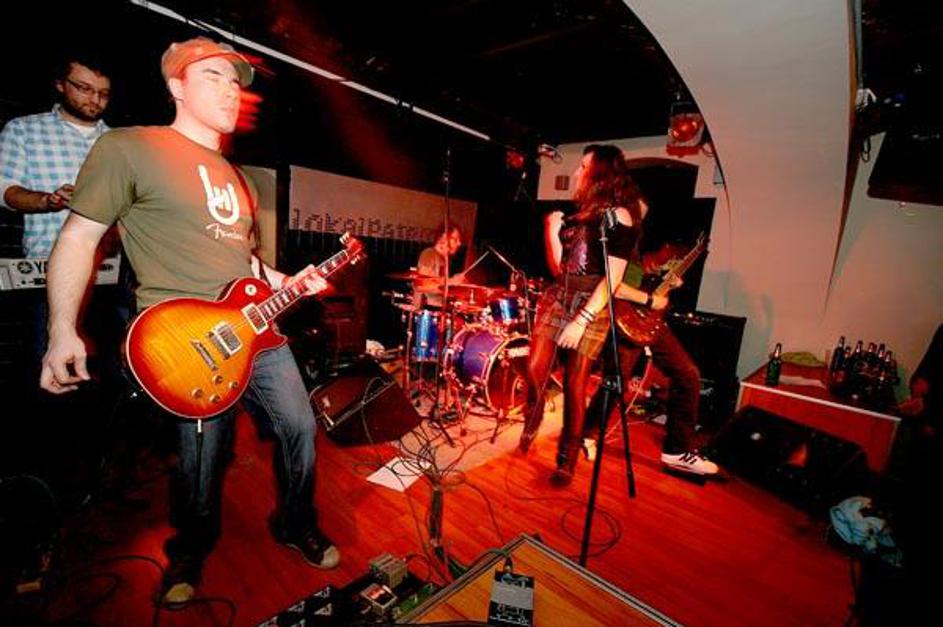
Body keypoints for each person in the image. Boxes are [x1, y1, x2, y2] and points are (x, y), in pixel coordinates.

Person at [39, 37, 339, 605]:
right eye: (212, 76)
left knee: (300, 427)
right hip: (187, 338)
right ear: (176, 86)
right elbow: (78, 237)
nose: (231, 90)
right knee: (202, 456)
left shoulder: (240, 179)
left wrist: (289, 281)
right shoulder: (130, 148)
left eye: (235, 81)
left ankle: (295, 522)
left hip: (255, 330)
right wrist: (61, 330)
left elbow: (246, 263)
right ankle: (191, 551)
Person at [518, 144, 640, 486]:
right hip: (560, 293)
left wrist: (582, 319)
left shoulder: (618, 216)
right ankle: (534, 415)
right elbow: (559, 267)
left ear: (601, 172)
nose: (576, 172)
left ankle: (566, 459)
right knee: (534, 368)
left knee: (575, 382)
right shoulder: (578, 214)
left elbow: (613, 279)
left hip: (592, 301)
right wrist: (550, 229)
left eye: (583, 166)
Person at [0, 50, 113, 366]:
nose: (95, 99)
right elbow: (6, 191)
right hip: (50, 271)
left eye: (103, 93)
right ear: (61, 84)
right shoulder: (23, 129)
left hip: (113, 276)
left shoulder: (119, 141)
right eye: (84, 88)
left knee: (110, 370)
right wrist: (47, 200)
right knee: (51, 366)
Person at [588, 237, 720, 476]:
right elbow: (613, 284)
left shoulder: (655, 260)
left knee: (688, 374)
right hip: (627, 318)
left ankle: (677, 451)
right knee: (617, 382)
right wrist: (650, 297)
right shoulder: (625, 242)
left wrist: (669, 283)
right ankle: (585, 434)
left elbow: (656, 281)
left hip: (652, 321)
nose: (674, 259)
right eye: (672, 254)